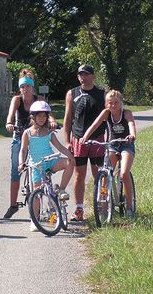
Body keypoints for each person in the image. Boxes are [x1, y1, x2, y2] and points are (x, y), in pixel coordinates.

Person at [4, 70, 58, 219]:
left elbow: (49, 113)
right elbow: (10, 114)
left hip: (36, 137)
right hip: (20, 136)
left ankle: (42, 200)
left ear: (32, 87)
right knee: (16, 170)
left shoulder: (39, 99)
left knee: (41, 167)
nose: (25, 89)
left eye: (27, 86)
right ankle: (13, 205)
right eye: (22, 87)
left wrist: (52, 120)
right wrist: (9, 123)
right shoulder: (17, 100)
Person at [18, 101, 75, 231]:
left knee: (69, 163)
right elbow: (23, 150)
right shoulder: (27, 133)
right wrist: (21, 163)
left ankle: (61, 190)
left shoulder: (49, 132)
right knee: (36, 195)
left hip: (50, 161)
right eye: (39, 116)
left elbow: (59, 147)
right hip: (36, 166)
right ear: (33, 117)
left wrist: (70, 156)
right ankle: (34, 219)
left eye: (44, 116)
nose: (42, 119)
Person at [80, 90, 136, 217]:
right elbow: (94, 125)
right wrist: (85, 137)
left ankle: (129, 207)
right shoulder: (106, 113)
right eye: (110, 103)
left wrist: (132, 135)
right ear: (106, 104)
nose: (113, 105)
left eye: (116, 103)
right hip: (112, 145)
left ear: (121, 103)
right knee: (105, 174)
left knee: (124, 173)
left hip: (126, 144)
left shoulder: (126, 113)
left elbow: (131, 124)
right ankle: (104, 209)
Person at [63, 64, 106, 222]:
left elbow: (109, 114)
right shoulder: (72, 93)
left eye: (86, 74)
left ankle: (102, 205)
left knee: (99, 175)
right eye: (80, 74)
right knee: (79, 175)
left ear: (93, 77)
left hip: (97, 139)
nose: (83, 77)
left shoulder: (102, 94)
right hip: (78, 139)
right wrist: (67, 140)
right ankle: (79, 209)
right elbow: (68, 119)